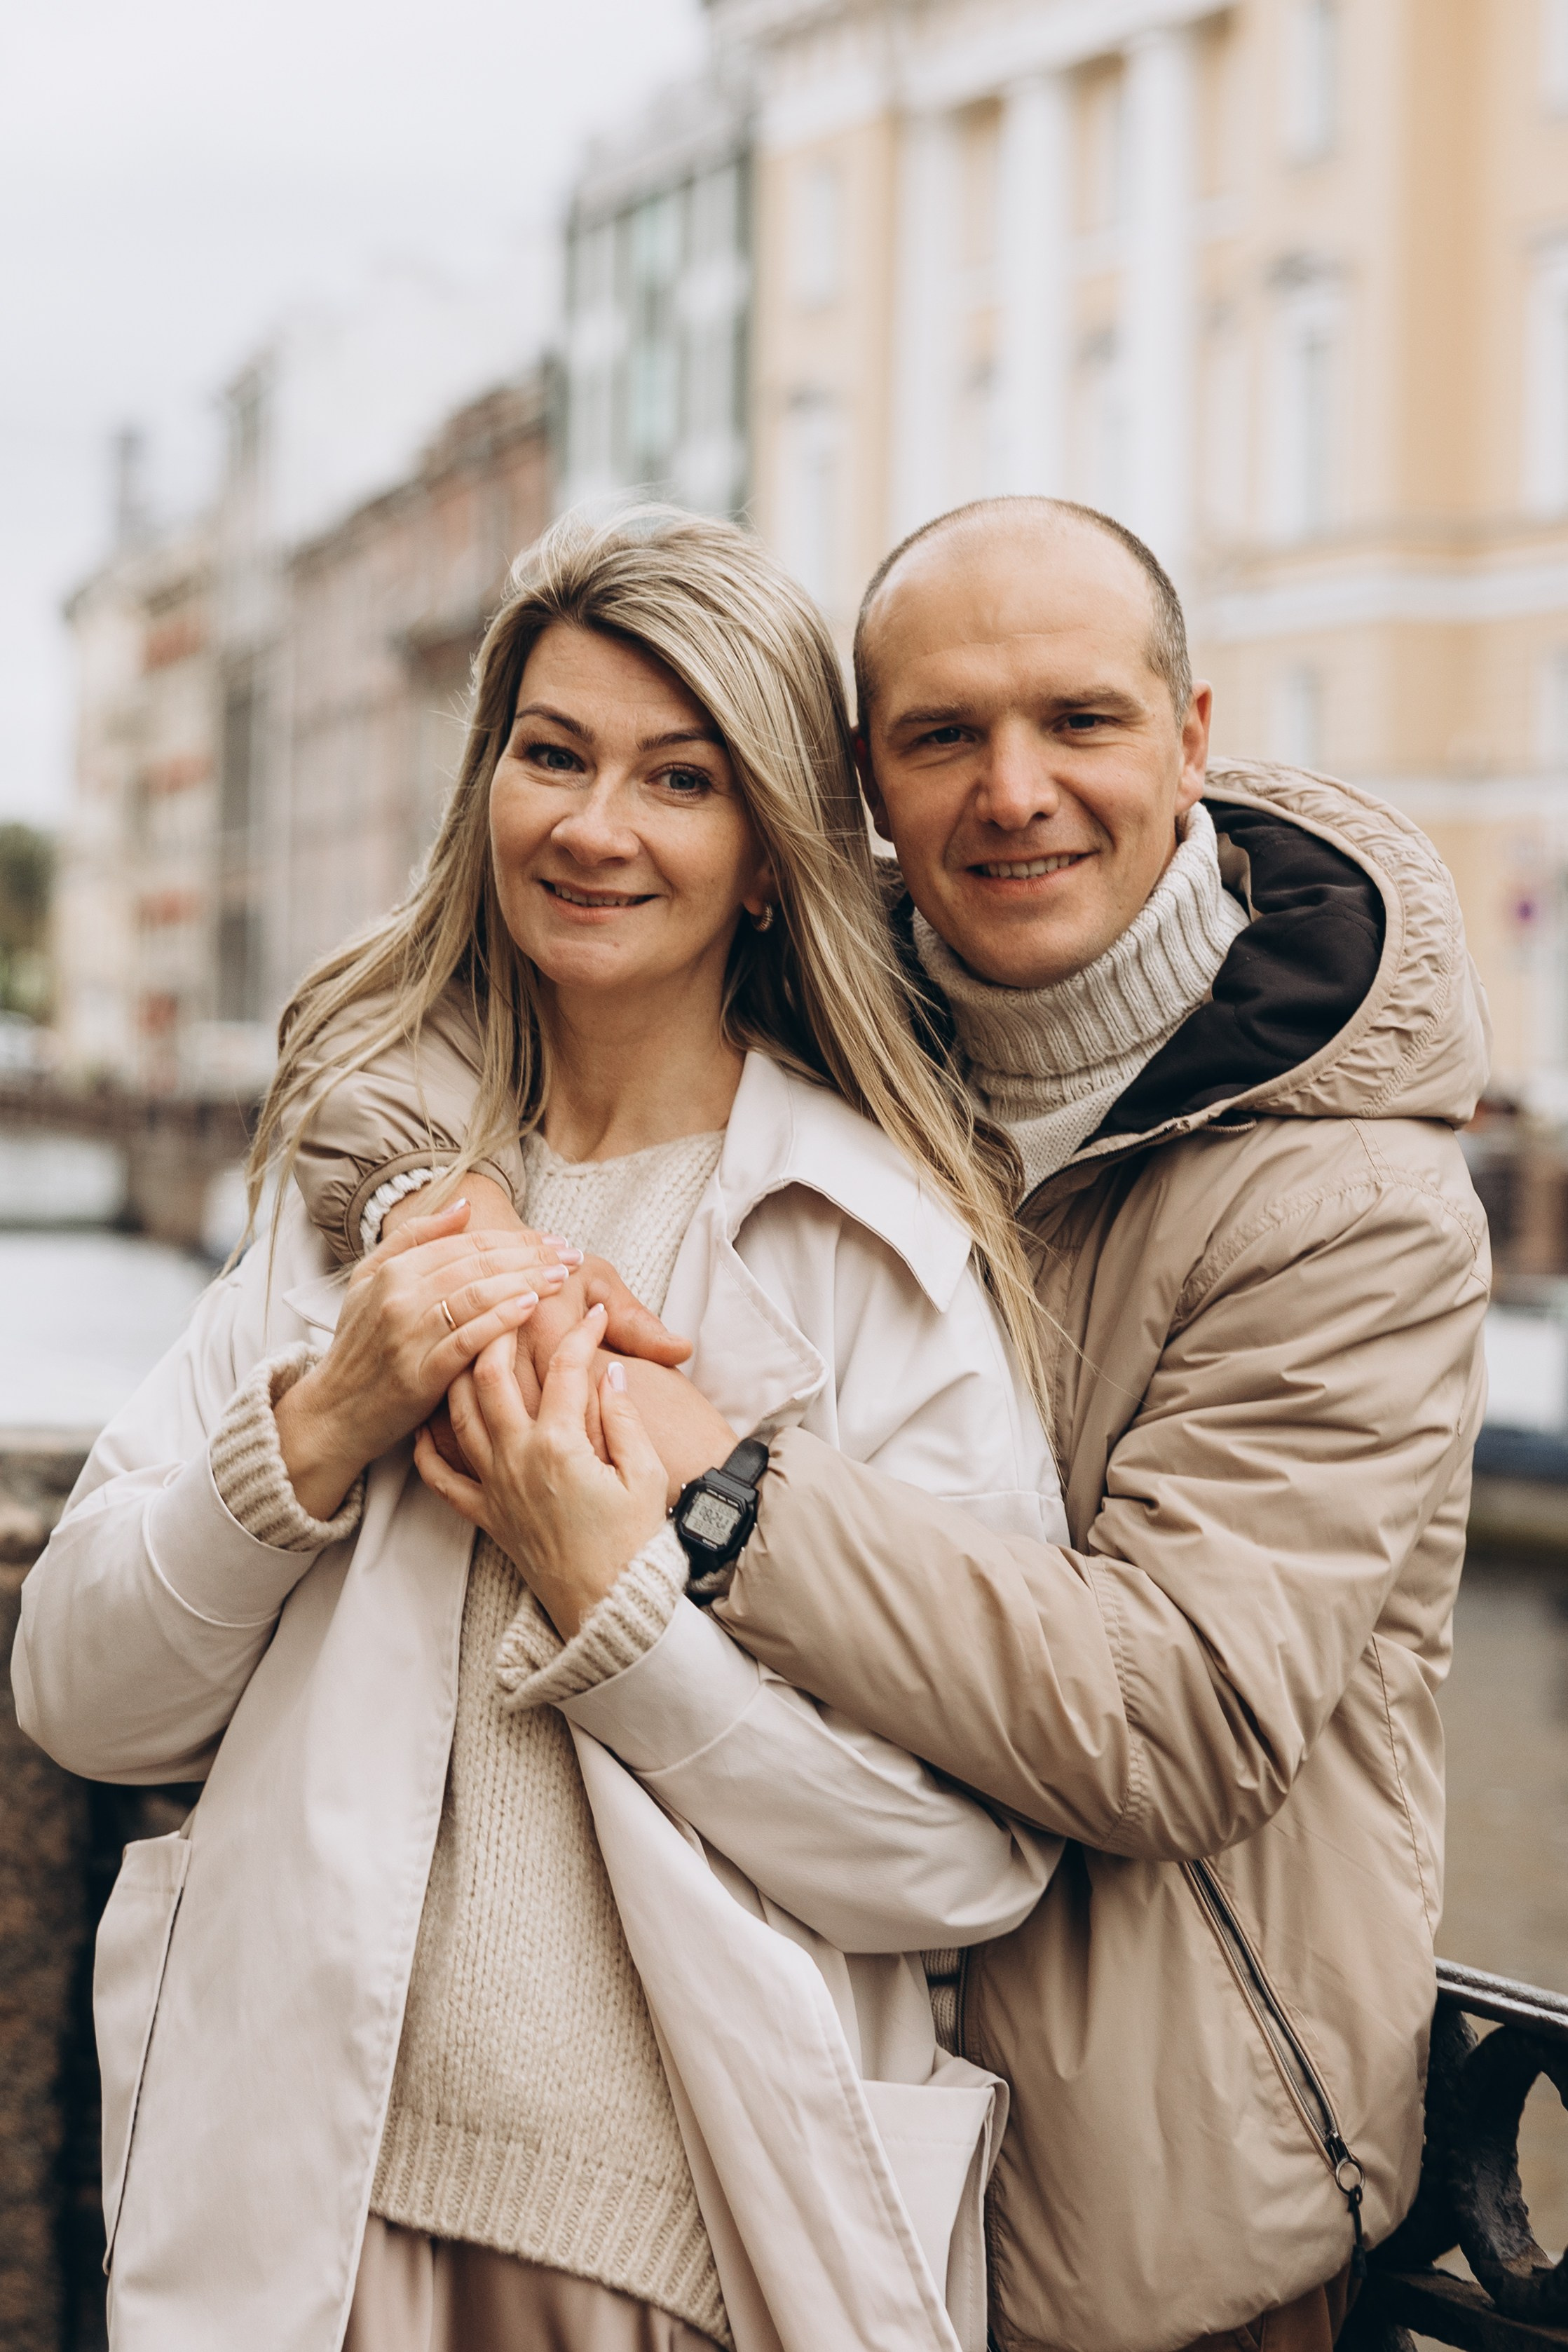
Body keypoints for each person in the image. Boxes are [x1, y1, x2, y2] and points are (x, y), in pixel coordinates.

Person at [296, 498, 1491, 2352]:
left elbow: (1176, 1713)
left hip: (1142, 2224)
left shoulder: (1352, 1209)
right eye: (942, 735)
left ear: (1191, 735)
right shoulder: (827, 1011)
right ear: (858, 784)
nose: (1014, 790)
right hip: (782, 2151)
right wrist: (416, 1220)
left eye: (1080, 720)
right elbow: (393, 1027)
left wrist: (724, 1492)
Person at [11, 510, 1072, 2352]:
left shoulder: (870, 1253)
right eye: (553, 753)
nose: (596, 826)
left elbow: (966, 1859)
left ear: (765, 857)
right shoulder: (354, 1212)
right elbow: (81, 1693)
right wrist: (327, 1419)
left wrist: (623, 1618)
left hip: (694, 2265)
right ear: (485, 781)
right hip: (305, 2229)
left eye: (680, 776)